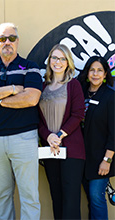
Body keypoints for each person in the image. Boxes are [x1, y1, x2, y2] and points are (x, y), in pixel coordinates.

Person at [0, 22, 42, 220]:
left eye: (11, 38)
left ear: (17, 41)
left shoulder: (30, 67)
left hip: (24, 138)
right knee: (2, 195)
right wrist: (13, 89)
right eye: (2, 39)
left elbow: (31, 98)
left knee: (29, 195)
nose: (7, 43)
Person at [38, 44, 86, 219]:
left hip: (72, 150)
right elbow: (37, 119)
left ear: (68, 62)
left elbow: (78, 114)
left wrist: (59, 135)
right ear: (49, 60)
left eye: (62, 58)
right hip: (50, 149)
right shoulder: (42, 86)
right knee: (56, 197)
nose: (58, 62)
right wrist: (48, 136)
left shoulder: (73, 85)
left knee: (71, 200)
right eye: (54, 58)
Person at [78, 56, 115, 220]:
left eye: (100, 70)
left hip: (101, 158)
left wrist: (107, 160)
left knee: (97, 198)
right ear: (87, 72)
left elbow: (114, 132)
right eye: (92, 69)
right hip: (80, 157)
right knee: (89, 200)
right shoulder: (80, 92)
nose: (95, 74)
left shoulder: (110, 96)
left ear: (106, 74)